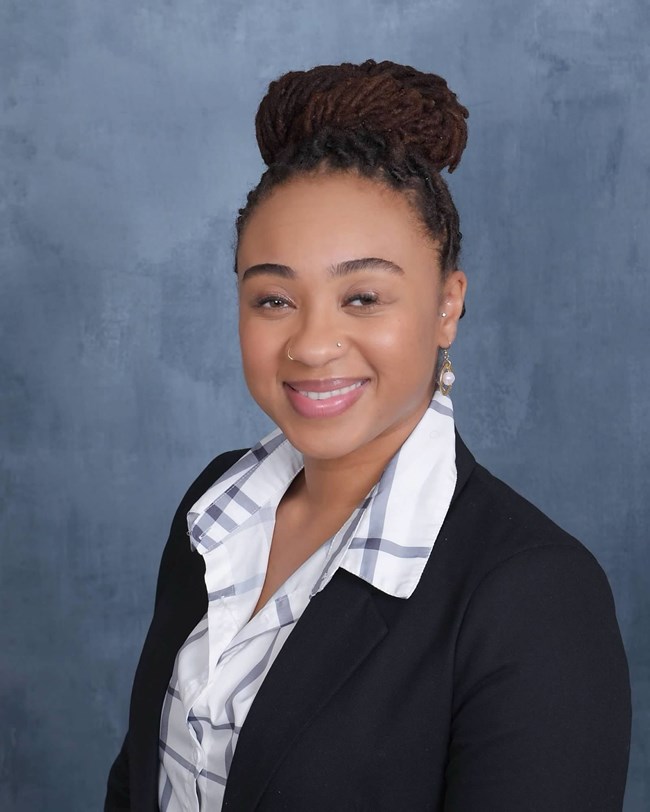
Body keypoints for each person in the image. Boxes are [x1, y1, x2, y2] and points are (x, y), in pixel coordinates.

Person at [105, 60, 631, 811]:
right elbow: (137, 783)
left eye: (362, 296)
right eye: (274, 297)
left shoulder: (535, 597)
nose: (313, 344)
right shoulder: (215, 509)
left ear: (448, 305)